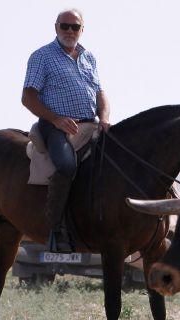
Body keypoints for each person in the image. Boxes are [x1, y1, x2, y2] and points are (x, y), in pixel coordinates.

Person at [22, 8, 111, 252]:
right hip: (55, 127)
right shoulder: (42, 56)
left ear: (82, 30)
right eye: (65, 26)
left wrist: (104, 117)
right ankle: (56, 229)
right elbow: (28, 97)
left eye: (75, 27)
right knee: (67, 165)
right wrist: (56, 119)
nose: (70, 31)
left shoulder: (88, 57)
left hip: (90, 123)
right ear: (56, 27)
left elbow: (100, 93)